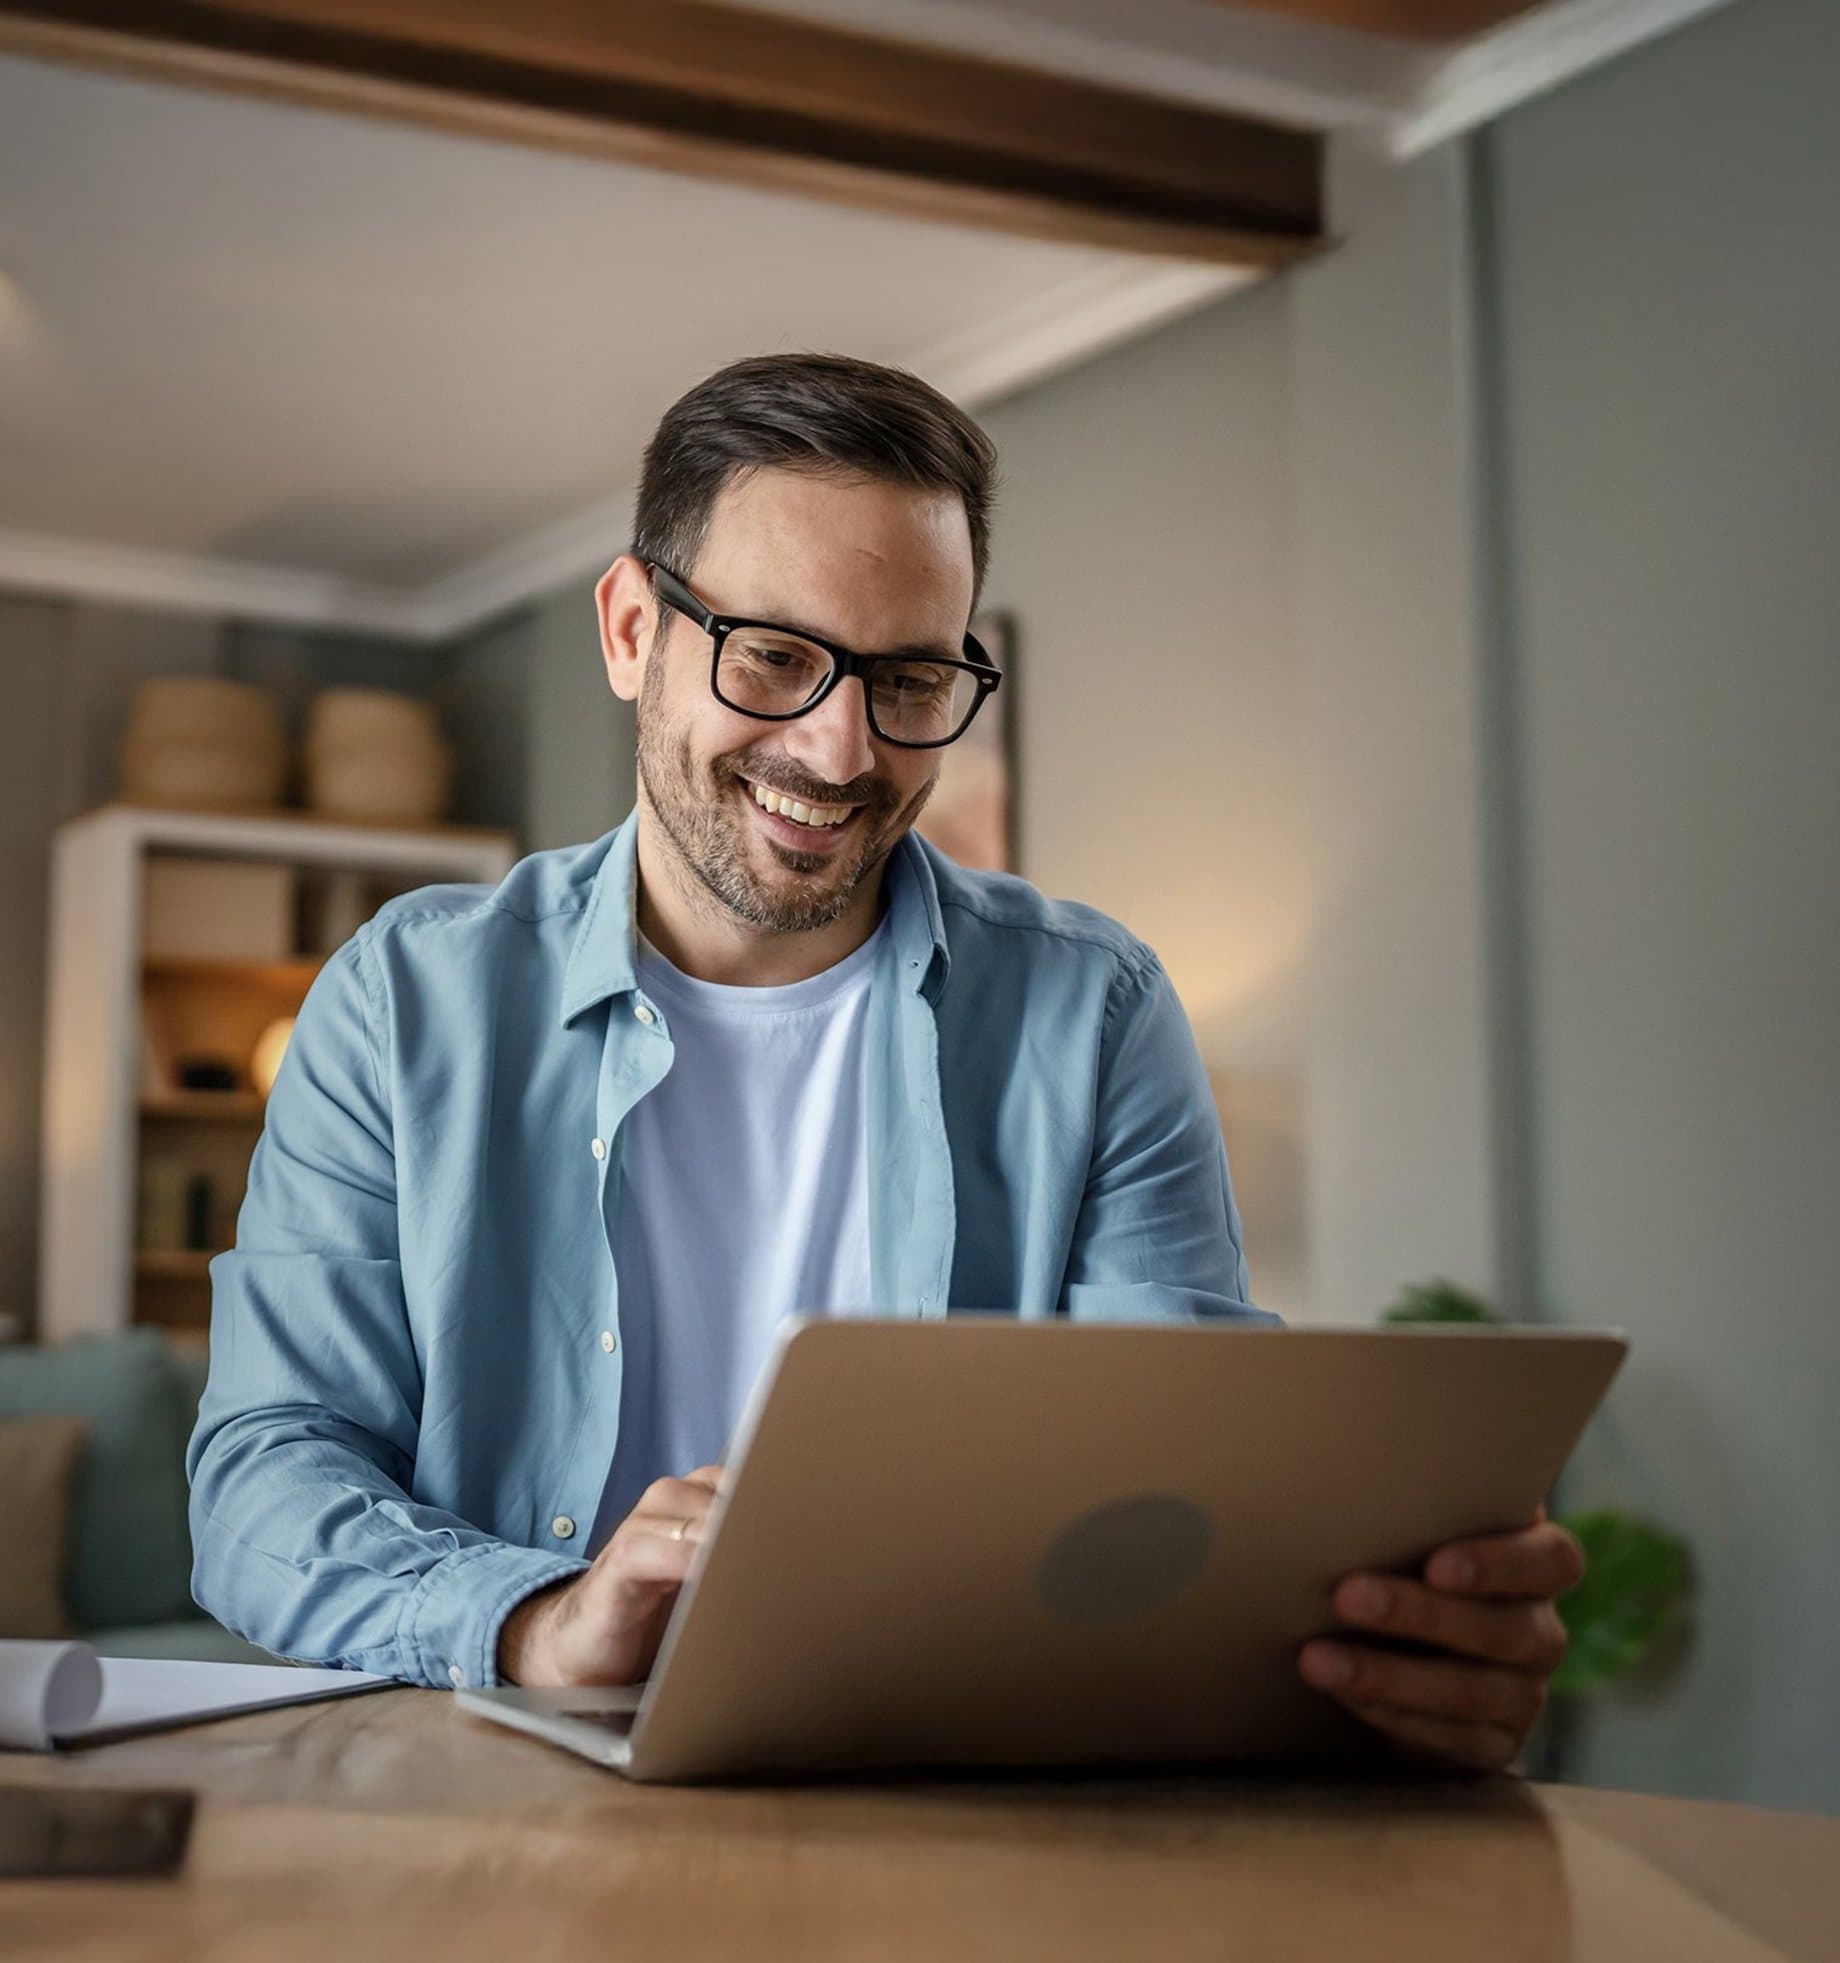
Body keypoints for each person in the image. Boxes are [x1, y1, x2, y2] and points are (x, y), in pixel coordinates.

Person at [188, 353, 1580, 1772]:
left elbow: (1177, 1495)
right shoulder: (405, 1001)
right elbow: (265, 1475)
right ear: (629, 630)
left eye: (909, 678)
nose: (841, 749)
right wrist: (543, 1622)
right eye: (773, 657)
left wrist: (1378, 1653)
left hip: (956, 1810)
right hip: (505, 1801)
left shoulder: (1094, 1014)